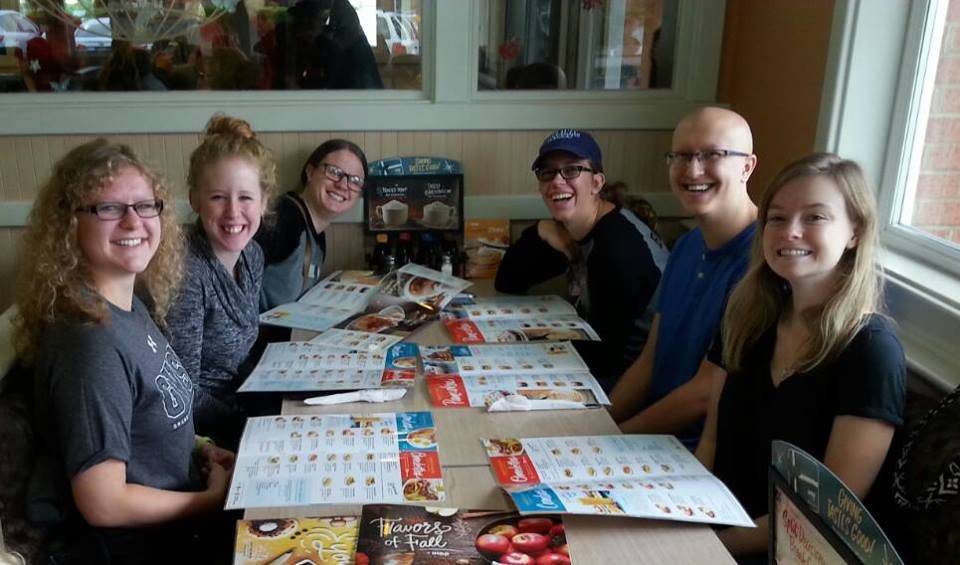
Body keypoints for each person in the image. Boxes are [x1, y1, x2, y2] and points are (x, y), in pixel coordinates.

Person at [15, 139, 235, 562]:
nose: (134, 221)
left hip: (185, 520)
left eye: (145, 205)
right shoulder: (89, 344)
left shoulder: (125, 307)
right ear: (69, 225)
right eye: (109, 208)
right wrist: (209, 501)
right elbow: (104, 502)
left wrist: (200, 447)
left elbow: (149, 418)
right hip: (147, 550)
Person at [695, 153, 906, 557]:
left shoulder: (872, 350)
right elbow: (710, 443)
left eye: (815, 217)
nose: (790, 231)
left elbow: (828, 515)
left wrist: (712, 547)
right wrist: (682, 519)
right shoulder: (746, 317)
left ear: (855, 232)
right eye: (777, 218)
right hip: (712, 530)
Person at [609, 107, 759, 446]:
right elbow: (650, 361)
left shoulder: (762, 260)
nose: (693, 170)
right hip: (651, 436)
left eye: (712, 155)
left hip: (701, 453)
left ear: (747, 167)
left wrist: (610, 439)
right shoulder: (688, 245)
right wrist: (596, 425)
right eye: (682, 156)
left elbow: (704, 393)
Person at [495, 129, 668, 392]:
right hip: (603, 363)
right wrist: (541, 230)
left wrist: (529, 344)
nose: (557, 181)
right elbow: (508, 281)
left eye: (572, 170)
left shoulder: (616, 249)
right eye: (547, 172)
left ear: (597, 183)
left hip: (630, 384)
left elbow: (606, 356)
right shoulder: (576, 227)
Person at [165, 114, 274, 447]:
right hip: (201, 436)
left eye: (245, 198)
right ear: (195, 200)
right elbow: (181, 392)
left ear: (264, 201)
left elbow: (240, 360)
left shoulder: (252, 255)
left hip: (240, 409)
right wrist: (251, 427)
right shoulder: (186, 271)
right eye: (217, 198)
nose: (233, 212)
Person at [256, 138, 368, 311]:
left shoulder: (317, 234)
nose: (343, 185)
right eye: (334, 172)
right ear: (310, 172)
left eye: (355, 180)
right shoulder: (284, 218)